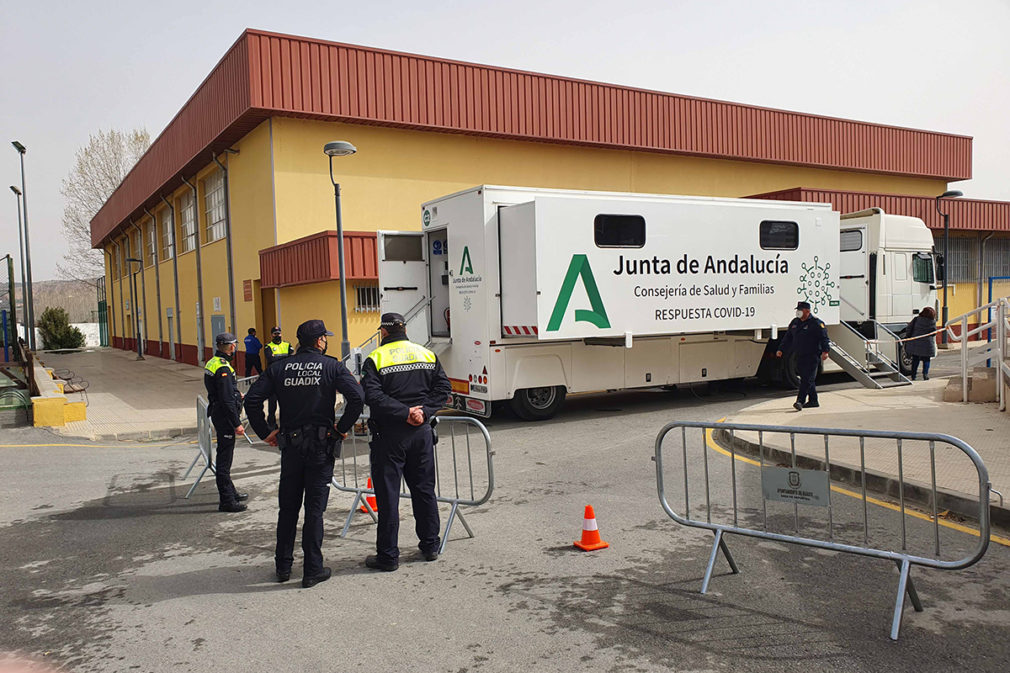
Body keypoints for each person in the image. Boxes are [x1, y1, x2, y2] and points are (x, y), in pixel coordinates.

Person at [244, 319, 363, 588]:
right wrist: (341, 429)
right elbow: (357, 397)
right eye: (324, 337)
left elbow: (251, 400)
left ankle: (283, 567)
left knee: (288, 507)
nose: (326, 341)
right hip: (321, 445)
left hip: (291, 446)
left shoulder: (279, 367)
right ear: (320, 341)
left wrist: (265, 432)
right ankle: (312, 569)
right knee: (314, 510)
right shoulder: (332, 365)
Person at [360, 312, 451, 572]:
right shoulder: (425, 354)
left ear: (384, 332)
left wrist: (404, 412)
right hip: (421, 433)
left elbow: (372, 396)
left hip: (389, 435)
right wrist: (423, 411)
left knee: (388, 497)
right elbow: (443, 389)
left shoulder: (376, 358)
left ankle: (388, 557)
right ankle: (430, 545)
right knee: (424, 490)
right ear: (405, 329)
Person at [204, 332, 249, 512]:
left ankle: (231, 492)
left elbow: (223, 392)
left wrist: (237, 394)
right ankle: (227, 501)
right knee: (224, 460)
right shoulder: (223, 367)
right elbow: (225, 399)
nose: (235, 347)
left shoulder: (213, 362)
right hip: (224, 417)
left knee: (225, 456)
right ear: (231, 346)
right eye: (234, 344)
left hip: (218, 412)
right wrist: (236, 423)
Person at [776, 301, 830, 411]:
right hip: (799, 355)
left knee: (806, 379)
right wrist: (781, 349)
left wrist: (826, 351)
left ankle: (800, 401)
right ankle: (813, 401)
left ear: (807, 311)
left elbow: (824, 338)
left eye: (800, 310)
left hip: (812, 355)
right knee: (807, 379)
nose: (798, 312)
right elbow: (788, 337)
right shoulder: (795, 323)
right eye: (797, 310)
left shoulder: (816, 323)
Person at [263, 326, 294, 430]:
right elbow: (270, 359)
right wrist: (284, 357)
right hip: (273, 378)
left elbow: (292, 357)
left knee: (285, 403)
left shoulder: (287, 344)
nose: (277, 335)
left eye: (279, 333)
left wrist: (277, 358)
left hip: (285, 377)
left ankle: (285, 424)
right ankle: (271, 424)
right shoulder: (268, 346)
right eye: (275, 334)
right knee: (272, 404)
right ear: (271, 335)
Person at [905, 306, 938, 380]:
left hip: (916, 342)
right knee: (926, 359)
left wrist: (908, 336)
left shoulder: (917, 319)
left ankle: (913, 376)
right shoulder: (932, 322)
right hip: (927, 344)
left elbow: (909, 328)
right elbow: (934, 333)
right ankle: (925, 375)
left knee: (915, 359)